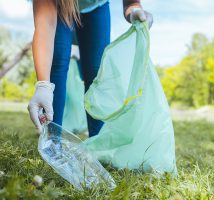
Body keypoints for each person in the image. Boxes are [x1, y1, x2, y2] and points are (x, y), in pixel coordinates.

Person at [27, 0, 153, 137]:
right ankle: (52, 138)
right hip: (61, 5)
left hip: (97, 6)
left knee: (96, 70)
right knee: (58, 61)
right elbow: (45, 24)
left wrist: (134, 10)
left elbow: (131, 3)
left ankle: (98, 141)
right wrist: (43, 85)